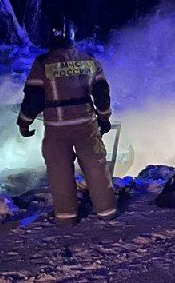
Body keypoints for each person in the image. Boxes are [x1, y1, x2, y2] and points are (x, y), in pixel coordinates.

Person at [17, 22, 118, 225]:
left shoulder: (43, 63)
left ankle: (66, 218)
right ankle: (107, 212)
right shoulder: (89, 60)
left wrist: (24, 122)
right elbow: (101, 94)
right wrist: (104, 118)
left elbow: (33, 98)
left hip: (57, 129)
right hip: (86, 125)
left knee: (59, 171)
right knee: (95, 168)